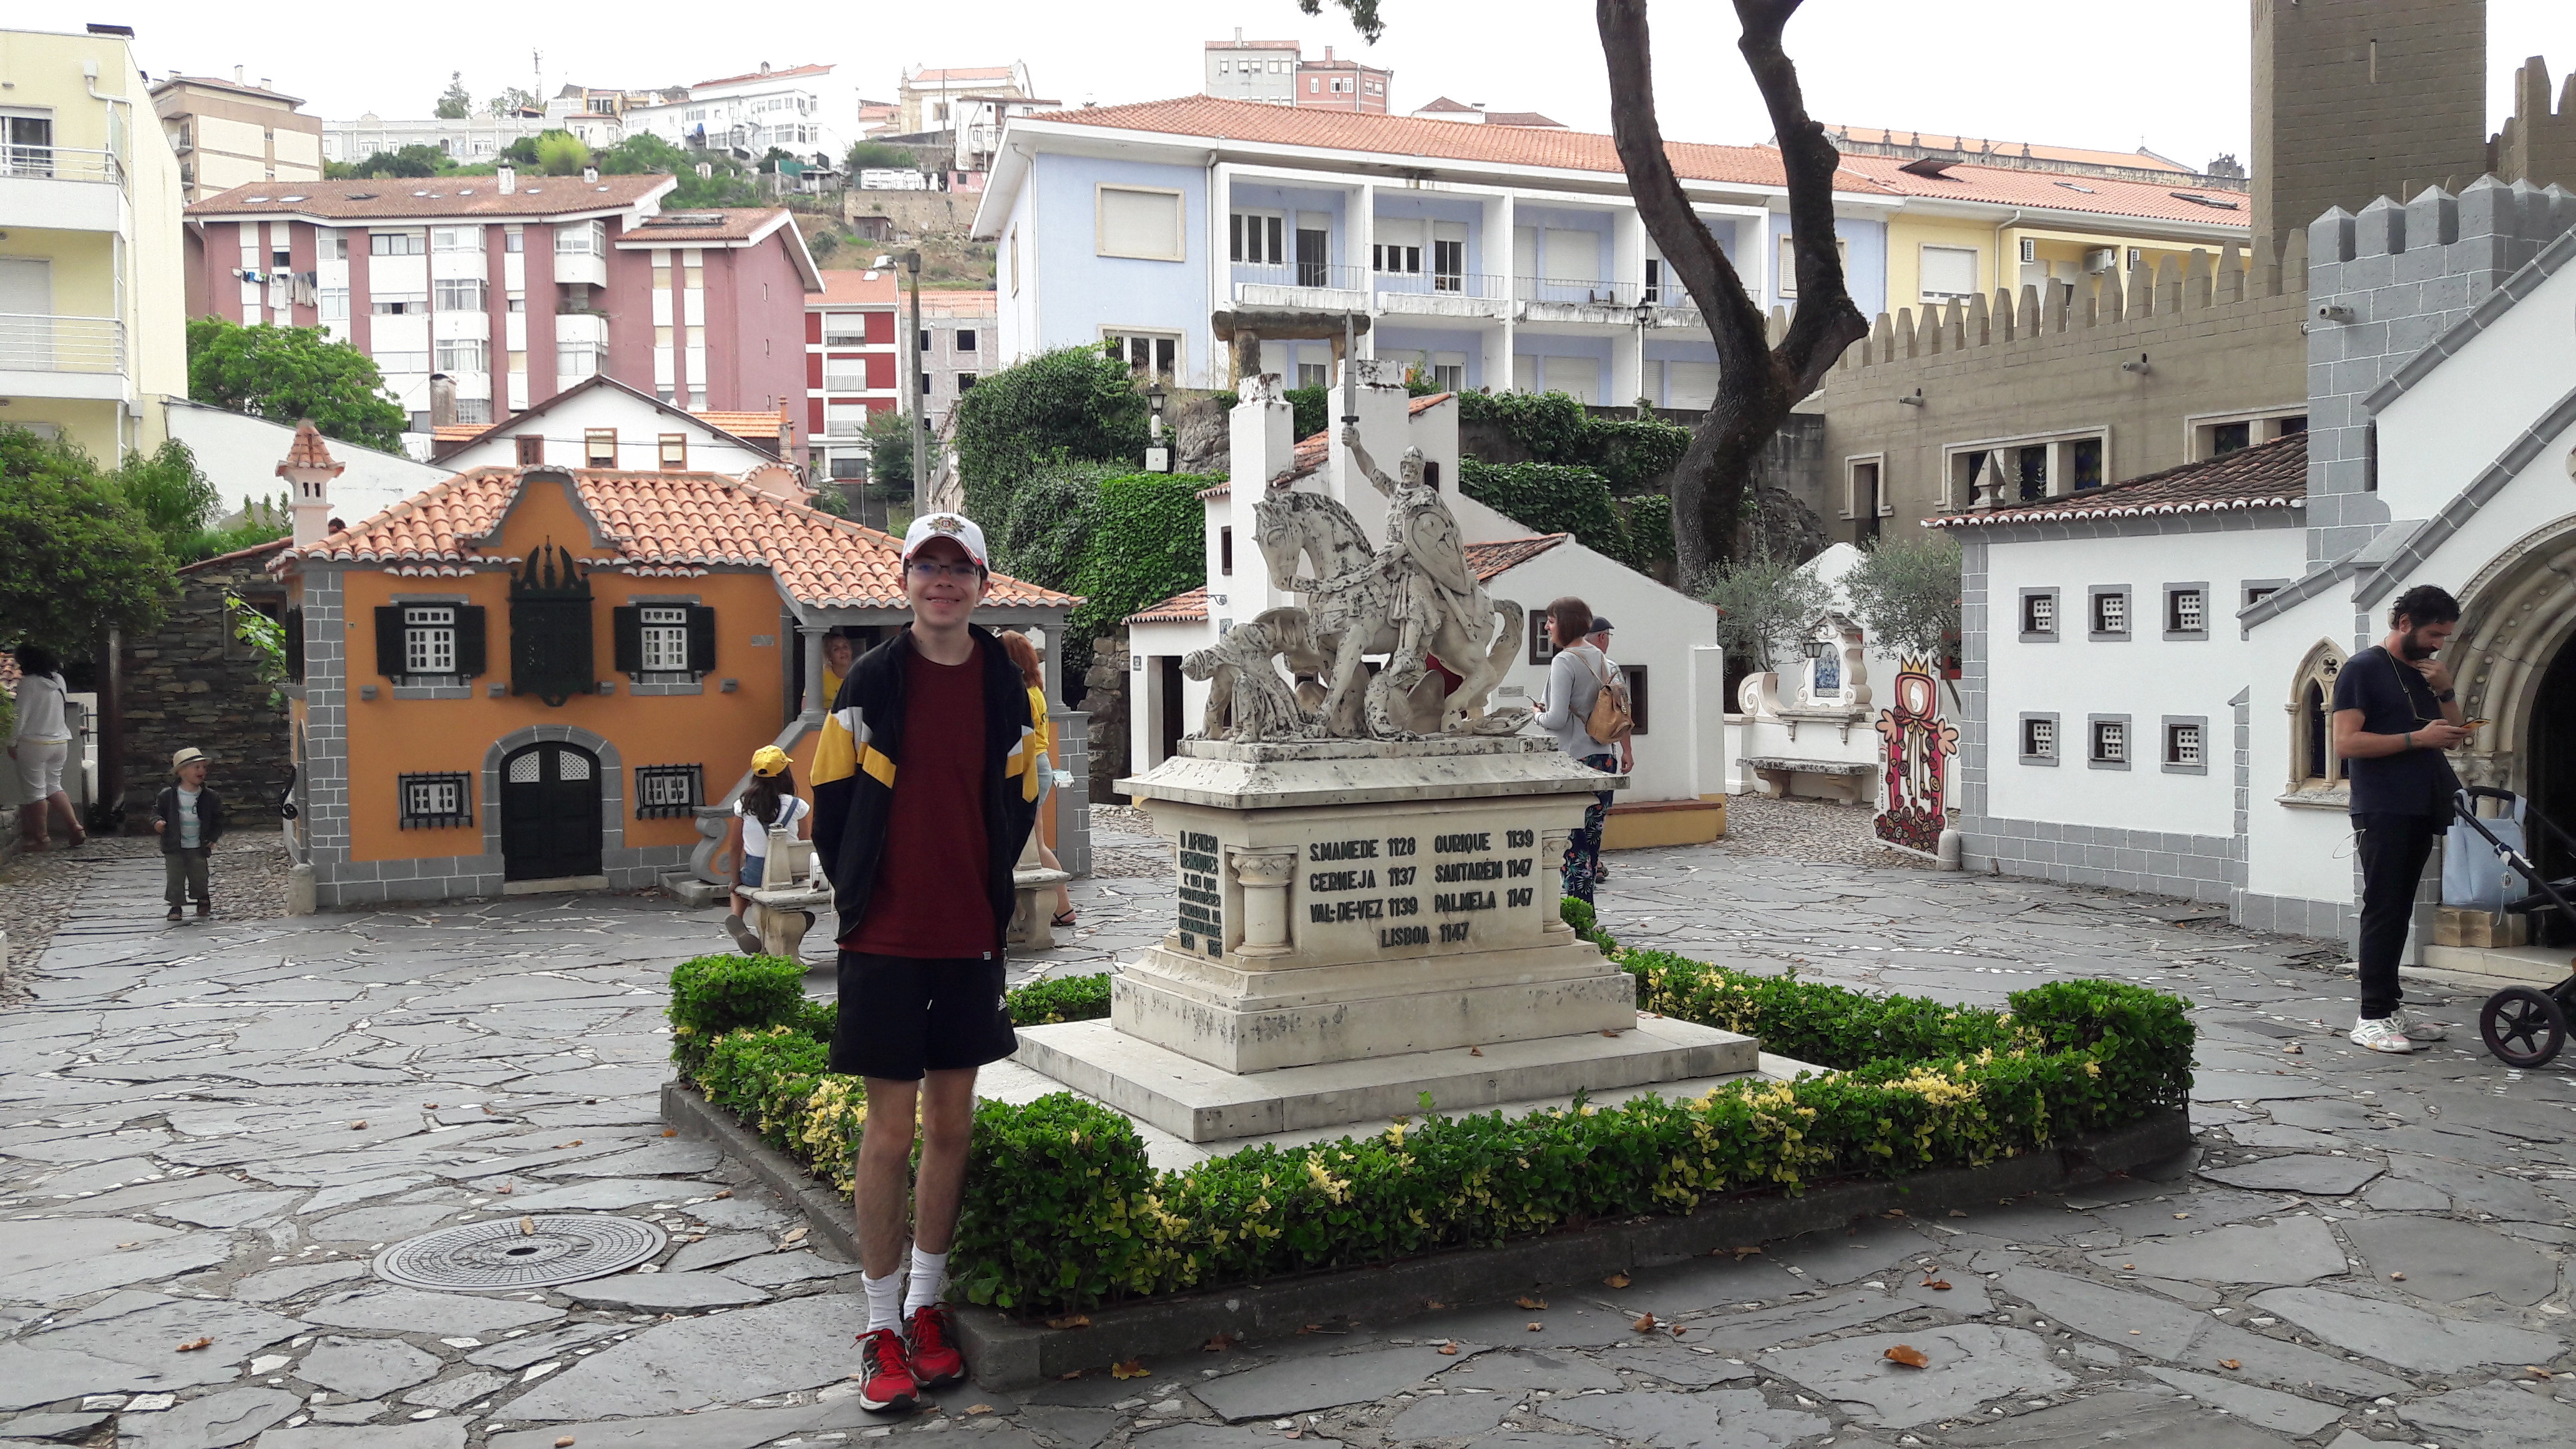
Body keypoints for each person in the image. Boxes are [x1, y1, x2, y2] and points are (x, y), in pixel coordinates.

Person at [809, 510, 1040, 1413]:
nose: (942, 581)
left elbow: (1023, 793)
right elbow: (830, 801)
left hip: (968, 934)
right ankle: (879, 1325)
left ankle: (926, 1305)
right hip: (885, 938)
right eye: (927, 566)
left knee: (950, 1124)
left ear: (982, 584)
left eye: (958, 568)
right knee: (890, 1131)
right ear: (904, 580)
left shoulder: (1004, 685)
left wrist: (986, 890)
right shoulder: (871, 680)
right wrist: (863, 894)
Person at [2331, 583, 2468, 1055]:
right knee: (2384, 908)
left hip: (2422, 802)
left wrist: (2445, 689)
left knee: (2401, 908)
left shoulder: (2425, 672)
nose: (2438, 644)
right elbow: (2345, 743)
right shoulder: (2362, 669)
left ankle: (2391, 1008)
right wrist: (2416, 740)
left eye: (2444, 636)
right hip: (2383, 805)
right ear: (2405, 623)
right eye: (2434, 634)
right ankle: (2371, 1016)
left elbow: (2454, 734)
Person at [1532, 595, 1619, 904]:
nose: (1547, 627)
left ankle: (1578, 917)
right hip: (1604, 761)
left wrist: (1536, 716)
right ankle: (1586, 914)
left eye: (1551, 621)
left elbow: (1555, 720)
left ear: (1565, 624)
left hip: (1574, 764)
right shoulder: (1604, 660)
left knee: (1570, 847)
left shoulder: (1564, 661)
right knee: (1590, 847)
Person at [1000, 631, 1076, 928]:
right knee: (1036, 842)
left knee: (1035, 845)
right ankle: (1060, 909)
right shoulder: (1035, 691)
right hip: (1039, 765)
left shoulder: (1022, 694)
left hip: (1029, 767)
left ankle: (1063, 908)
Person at [721, 746, 811, 953]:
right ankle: (795, 925)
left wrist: (734, 881)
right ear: (785, 774)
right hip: (789, 876)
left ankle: (736, 918)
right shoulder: (798, 805)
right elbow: (804, 845)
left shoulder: (744, 805)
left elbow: (735, 847)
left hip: (755, 874)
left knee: (738, 890)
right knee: (790, 883)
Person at [9, 644, 85, 852]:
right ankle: (75, 826)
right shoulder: (58, 679)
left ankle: (41, 838)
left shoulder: (28, 683)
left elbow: (20, 716)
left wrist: (11, 742)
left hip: (34, 743)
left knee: (35, 793)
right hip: (60, 742)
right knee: (54, 786)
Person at [150, 747, 226, 920]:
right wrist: (158, 822)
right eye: (196, 767)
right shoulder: (168, 795)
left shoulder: (210, 797)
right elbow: (157, 812)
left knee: (200, 874)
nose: (202, 771)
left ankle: (203, 899)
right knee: (175, 876)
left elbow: (218, 819)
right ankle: (176, 905)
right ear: (181, 772)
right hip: (174, 844)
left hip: (199, 844)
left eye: (203, 767)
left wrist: (212, 838)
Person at [821, 630, 857, 706]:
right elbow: (806, 707)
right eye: (836, 649)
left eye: (845, 647)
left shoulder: (860, 674)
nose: (843, 651)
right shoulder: (820, 678)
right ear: (829, 656)